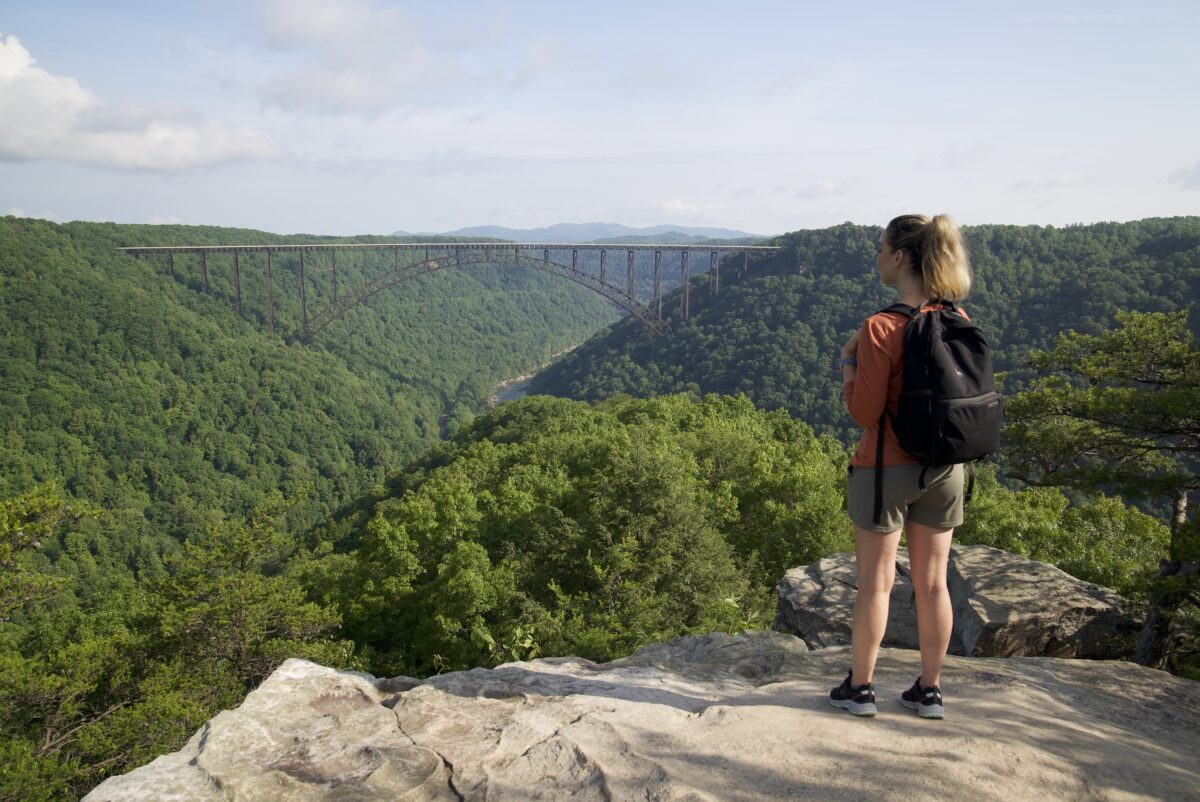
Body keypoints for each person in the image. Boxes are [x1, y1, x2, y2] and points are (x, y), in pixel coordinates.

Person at [827, 214, 973, 720]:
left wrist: (849, 363)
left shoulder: (881, 326)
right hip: (946, 469)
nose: (875, 257)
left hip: (885, 467)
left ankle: (861, 689)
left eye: (879, 248)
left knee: (876, 583)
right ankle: (929, 691)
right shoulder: (959, 319)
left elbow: (864, 413)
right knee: (935, 583)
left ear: (899, 258)